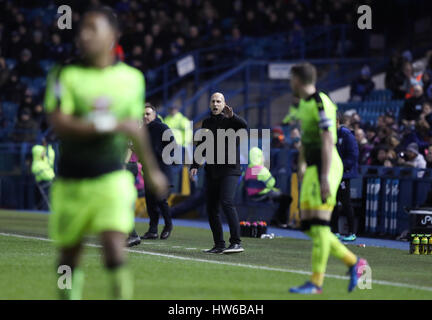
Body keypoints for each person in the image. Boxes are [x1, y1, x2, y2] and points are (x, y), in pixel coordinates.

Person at [44, 6, 168, 300]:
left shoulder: (131, 80)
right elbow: (61, 123)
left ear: (112, 36)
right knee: (69, 259)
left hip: (111, 180)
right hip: (71, 182)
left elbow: (135, 130)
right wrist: (108, 123)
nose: (84, 36)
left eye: (92, 30)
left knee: (115, 250)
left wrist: (151, 171)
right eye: (81, 30)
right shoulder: (64, 75)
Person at [287, 63, 368, 295]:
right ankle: (354, 262)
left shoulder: (321, 102)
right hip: (312, 168)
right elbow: (306, 138)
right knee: (309, 226)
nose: (290, 84)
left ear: (298, 80)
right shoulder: (303, 104)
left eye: (291, 79)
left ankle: (316, 283)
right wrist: (302, 165)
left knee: (320, 226)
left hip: (327, 166)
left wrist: (324, 177)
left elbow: (325, 139)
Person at [190, 92, 247, 254]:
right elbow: (202, 145)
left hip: (229, 169)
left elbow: (244, 125)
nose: (215, 104)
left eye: (219, 101)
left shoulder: (231, 120)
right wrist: (195, 164)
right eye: (213, 101)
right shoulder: (206, 122)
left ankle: (236, 242)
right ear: (210, 104)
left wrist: (233, 116)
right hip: (212, 170)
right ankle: (219, 244)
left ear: (224, 104)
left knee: (227, 202)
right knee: (211, 209)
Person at [127, 103, 175, 246]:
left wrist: (159, 156)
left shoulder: (162, 127)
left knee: (161, 199)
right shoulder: (143, 130)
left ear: (154, 114)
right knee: (150, 201)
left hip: (161, 169)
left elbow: (172, 146)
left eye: (148, 113)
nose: (145, 116)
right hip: (149, 170)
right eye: (143, 114)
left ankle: (168, 225)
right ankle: (153, 230)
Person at [244, 147, 292, 227]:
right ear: (259, 157)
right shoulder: (262, 170)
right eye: (261, 156)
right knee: (287, 199)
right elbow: (271, 183)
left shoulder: (248, 169)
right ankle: (279, 221)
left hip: (250, 196)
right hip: (262, 195)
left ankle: (276, 219)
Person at [331, 113, 359, 242]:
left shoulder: (346, 135)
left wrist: (340, 167)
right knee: (333, 203)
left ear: (337, 121)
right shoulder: (330, 135)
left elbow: (353, 155)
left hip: (344, 174)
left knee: (346, 202)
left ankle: (352, 232)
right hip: (333, 174)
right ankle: (335, 231)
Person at [31, 138, 55, 211]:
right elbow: (47, 175)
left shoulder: (44, 162)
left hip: (49, 182)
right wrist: (54, 178)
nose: (44, 153)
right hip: (45, 183)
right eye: (42, 152)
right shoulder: (37, 165)